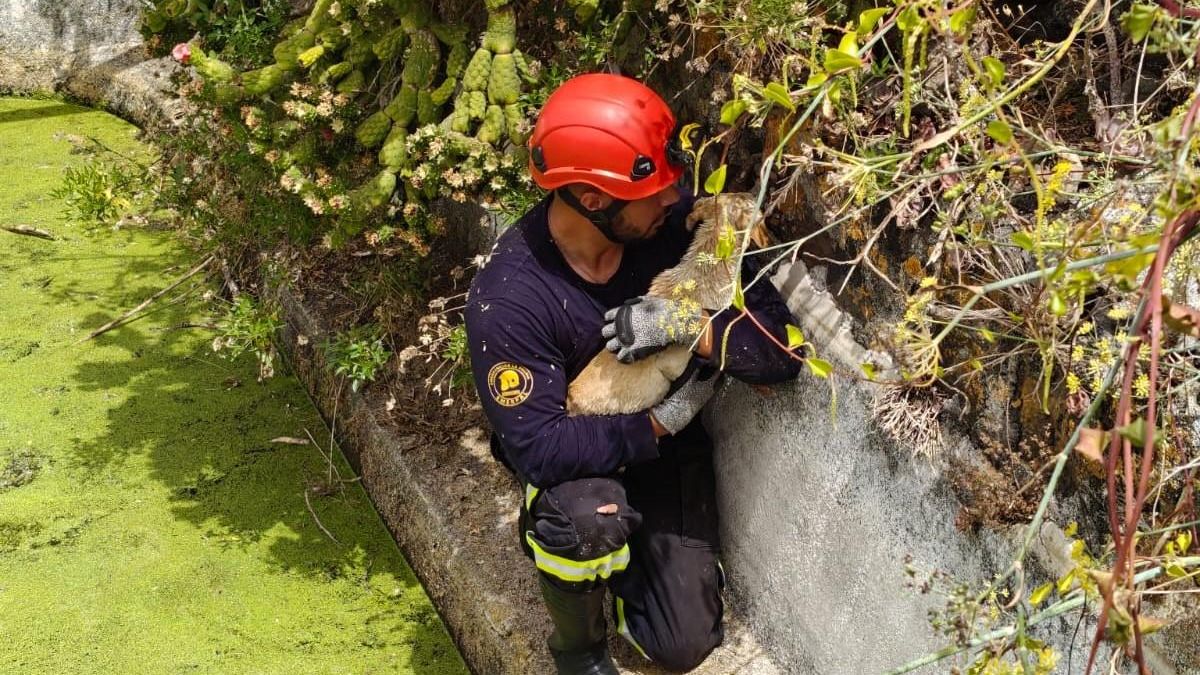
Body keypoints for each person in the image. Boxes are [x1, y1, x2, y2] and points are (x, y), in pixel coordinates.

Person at [465, 73, 801, 674]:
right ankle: (578, 642)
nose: (675, 198)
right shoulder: (510, 298)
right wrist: (661, 424)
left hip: (664, 455)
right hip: (581, 455)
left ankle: (623, 588)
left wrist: (689, 328)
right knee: (581, 526)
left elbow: (782, 356)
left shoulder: (679, 225)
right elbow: (540, 449)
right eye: (656, 189)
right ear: (595, 199)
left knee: (683, 644)